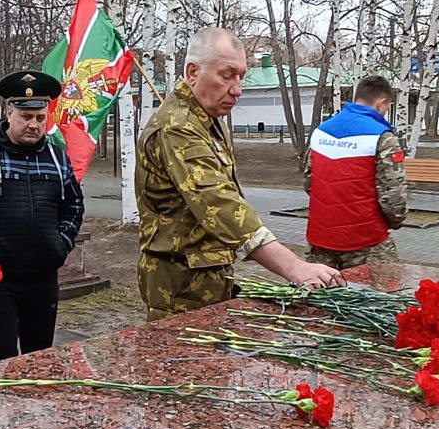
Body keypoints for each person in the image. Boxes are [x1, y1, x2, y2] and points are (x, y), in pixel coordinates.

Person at [136, 27, 345, 319]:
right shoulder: (178, 126)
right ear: (193, 72)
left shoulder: (208, 120)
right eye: (227, 75)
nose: (237, 89)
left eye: (241, 76)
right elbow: (220, 204)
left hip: (208, 278)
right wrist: (294, 267)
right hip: (179, 289)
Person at [0, 70, 84, 364]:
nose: (34, 124)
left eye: (40, 117)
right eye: (26, 117)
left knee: (40, 355)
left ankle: (34, 395)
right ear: (9, 113)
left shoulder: (57, 157)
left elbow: (74, 205)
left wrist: (61, 244)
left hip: (43, 277)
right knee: (0, 352)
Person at [303, 75, 408, 269]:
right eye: (387, 107)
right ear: (382, 102)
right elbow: (392, 195)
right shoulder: (382, 137)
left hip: (321, 239)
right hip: (366, 241)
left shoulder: (321, 132)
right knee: (382, 285)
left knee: (321, 288)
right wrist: (396, 220)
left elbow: (309, 181)